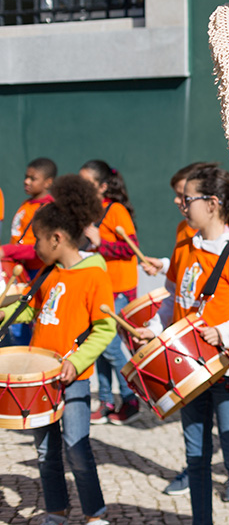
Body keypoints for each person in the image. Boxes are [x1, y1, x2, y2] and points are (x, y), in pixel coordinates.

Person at [138, 165, 229, 525]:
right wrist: (156, 329)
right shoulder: (185, 245)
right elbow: (172, 299)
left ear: (212, 203)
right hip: (187, 370)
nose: (181, 204)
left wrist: (225, 333)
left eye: (188, 198)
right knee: (196, 458)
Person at [0, 174, 116, 525]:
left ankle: (95, 513)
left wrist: (77, 362)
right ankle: (56, 510)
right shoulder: (48, 273)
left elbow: (105, 327)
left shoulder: (94, 274)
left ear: (57, 237)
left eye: (36, 239)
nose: (32, 247)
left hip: (73, 377)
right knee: (45, 451)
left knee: (76, 448)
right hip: (40, 377)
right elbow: (34, 309)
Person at [139, 161, 222, 499]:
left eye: (184, 197)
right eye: (179, 197)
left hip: (222, 351)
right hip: (186, 348)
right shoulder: (182, 233)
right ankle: (194, 473)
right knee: (195, 433)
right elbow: (182, 275)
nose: (180, 204)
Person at [78, 160, 142, 425]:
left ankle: (131, 398)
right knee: (99, 346)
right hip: (99, 286)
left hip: (117, 289)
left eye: (87, 183)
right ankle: (106, 400)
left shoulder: (115, 210)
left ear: (103, 186)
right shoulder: (91, 210)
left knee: (108, 346)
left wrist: (98, 243)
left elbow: (131, 248)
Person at [0, 157, 57, 346]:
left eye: (33, 178)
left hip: (36, 273)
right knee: (14, 323)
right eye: (26, 177)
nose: (27, 181)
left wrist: (6, 251)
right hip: (18, 272)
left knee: (23, 325)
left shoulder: (48, 208)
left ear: (48, 182)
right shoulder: (27, 204)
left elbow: (37, 249)